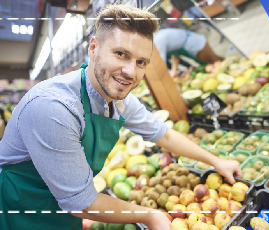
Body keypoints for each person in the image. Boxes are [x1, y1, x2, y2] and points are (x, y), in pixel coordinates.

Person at [0, 5, 242, 230]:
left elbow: (164, 135)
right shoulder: (54, 108)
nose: (130, 71)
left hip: (63, 212)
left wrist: (215, 161)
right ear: (93, 48)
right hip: (18, 212)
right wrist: (150, 215)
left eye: (140, 62)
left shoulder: (120, 100)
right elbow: (81, 203)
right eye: (121, 54)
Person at [154, 28, 224, 77]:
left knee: (218, 64)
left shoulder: (158, 41)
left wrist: (171, 74)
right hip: (194, 47)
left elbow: (161, 65)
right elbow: (175, 55)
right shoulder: (158, 38)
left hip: (197, 45)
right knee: (211, 67)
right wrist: (174, 71)